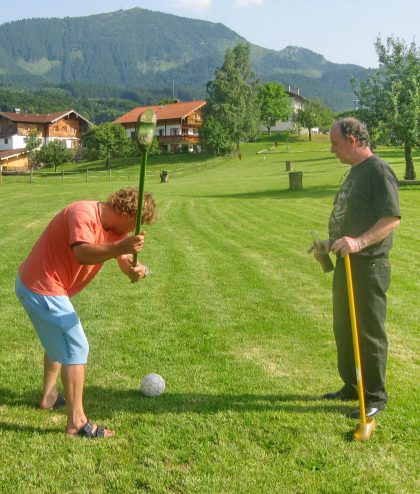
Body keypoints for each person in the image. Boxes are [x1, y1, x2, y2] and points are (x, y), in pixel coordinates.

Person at [16, 187, 157, 438]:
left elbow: (125, 259)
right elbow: (82, 253)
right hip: (41, 285)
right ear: (126, 213)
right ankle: (77, 423)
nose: (135, 229)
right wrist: (120, 247)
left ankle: (49, 397)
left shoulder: (116, 231)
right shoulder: (83, 213)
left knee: (57, 341)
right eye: (137, 222)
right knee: (75, 345)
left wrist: (138, 270)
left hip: (44, 286)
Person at [313, 117, 400, 419]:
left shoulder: (378, 171)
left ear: (352, 140)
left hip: (369, 265)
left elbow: (391, 218)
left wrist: (359, 242)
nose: (332, 150)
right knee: (344, 328)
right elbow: (353, 219)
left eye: (334, 144)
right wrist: (331, 243)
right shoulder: (355, 172)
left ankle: (374, 396)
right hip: (346, 263)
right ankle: (352, 386)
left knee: (368, 332)